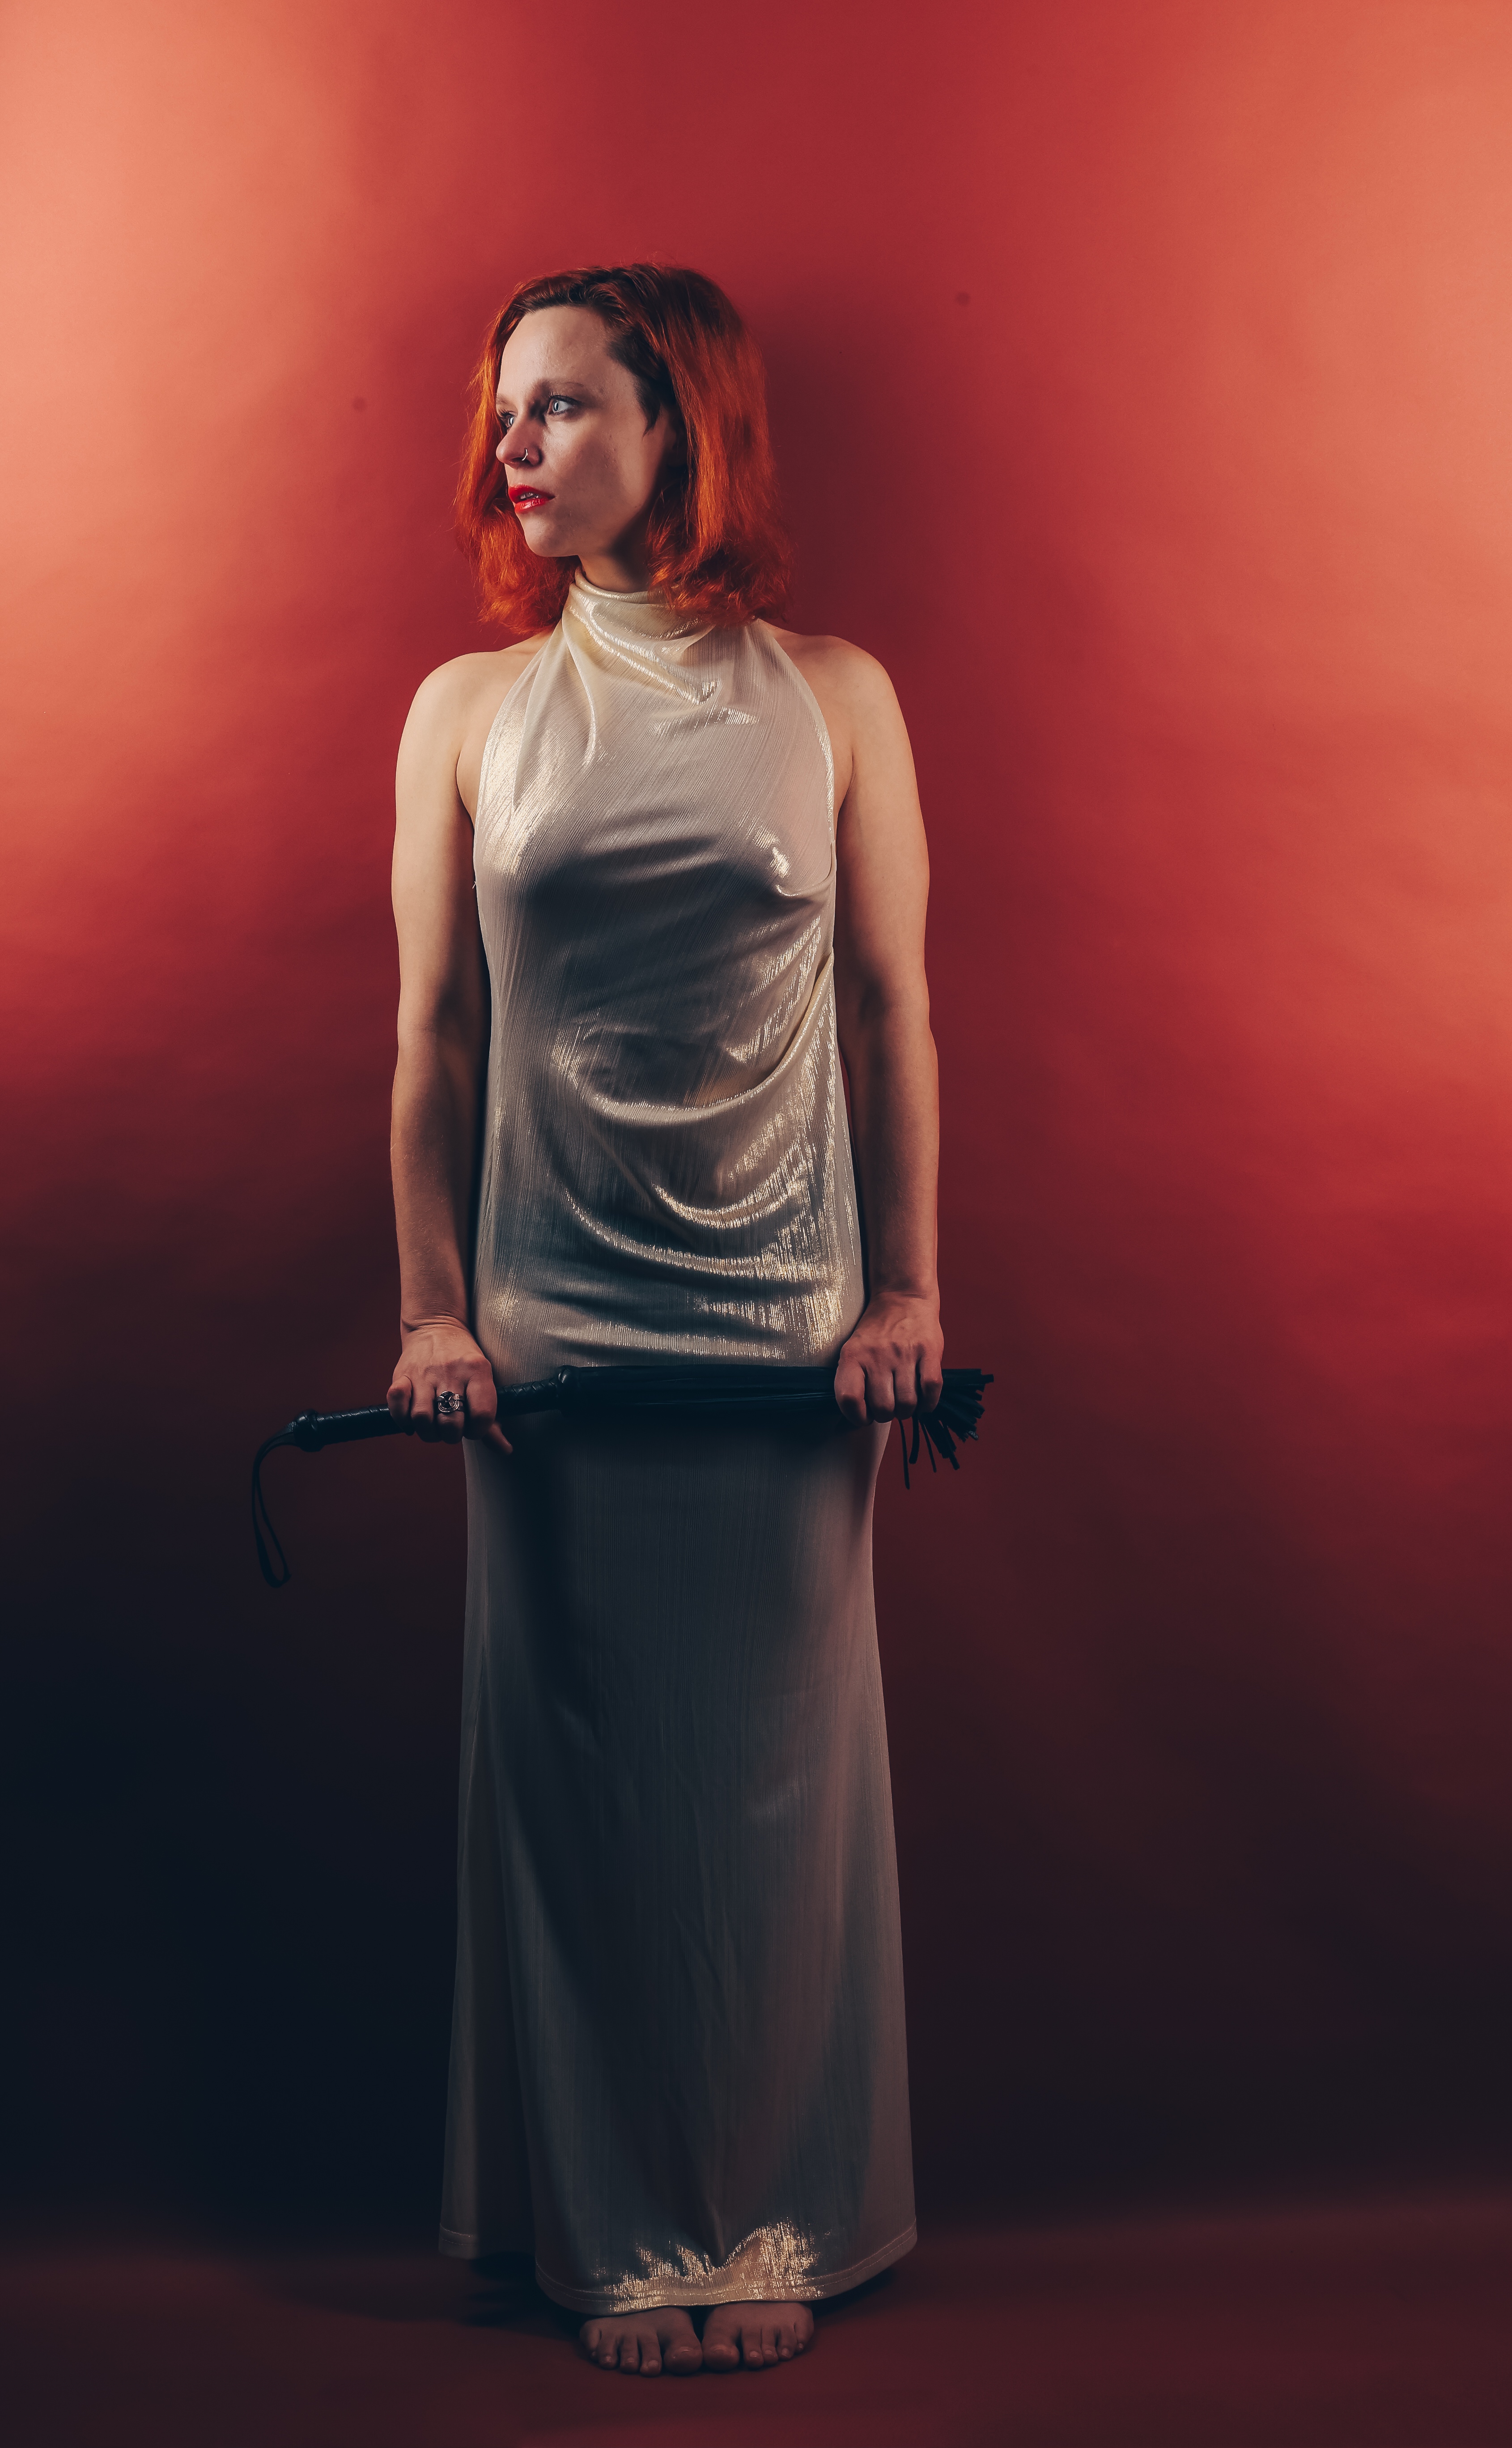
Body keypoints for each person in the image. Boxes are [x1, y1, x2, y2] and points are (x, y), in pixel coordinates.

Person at [386, 264, 941, 2379]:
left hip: (793, 1337)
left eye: (561, 406)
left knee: (778, 1803)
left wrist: (909, 1284)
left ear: (676, 425)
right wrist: (433, 1312)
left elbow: (889, 1008)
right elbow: (435, 1039)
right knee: (581, 1790)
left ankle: (769, 2210)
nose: (513, 445)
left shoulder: (839, 696)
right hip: (548, 1336)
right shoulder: (464, 711)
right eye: (506, 410)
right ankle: (626, 2229)